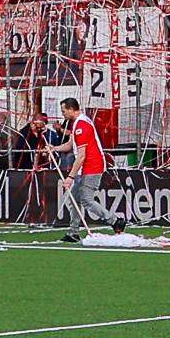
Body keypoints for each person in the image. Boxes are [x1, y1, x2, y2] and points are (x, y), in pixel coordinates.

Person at [57, 95, 110, 237]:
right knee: (73, 198)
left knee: (86, 200)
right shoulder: (78, 123)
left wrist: (70, 177)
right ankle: (73, 231)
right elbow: (70, 145)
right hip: (85, 168)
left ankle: (114, 220)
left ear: (71, 109)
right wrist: (54, 148)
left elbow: (81, 156)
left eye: (64, 111)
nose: (63, 114)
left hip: (92, 167)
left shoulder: (81, 125)